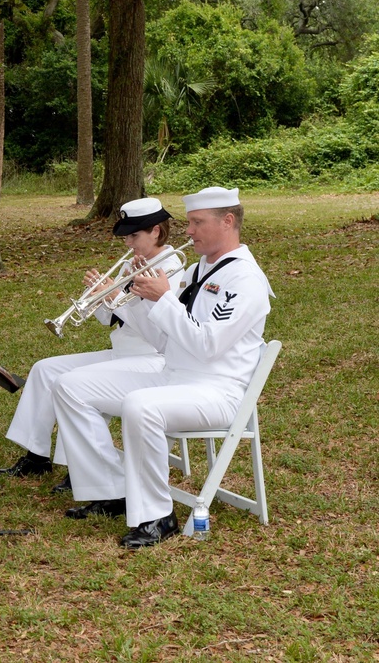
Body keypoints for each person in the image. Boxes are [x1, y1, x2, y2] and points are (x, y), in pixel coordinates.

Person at [53, 187, 272, 549]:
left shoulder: (245, 279)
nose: (188, 231)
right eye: (189, 222)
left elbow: (208, 345)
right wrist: (133, 300)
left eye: (197, 223)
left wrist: (165, 297)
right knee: (70, 385)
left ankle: (157, 515)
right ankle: (112, 489)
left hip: (218, 389)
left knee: (141, 405)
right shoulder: (196, 270)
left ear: (228, 222)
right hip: (176, 374)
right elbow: (164, 341)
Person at [0, 198, 185, 491]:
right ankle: (36, 455)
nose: (127, 244)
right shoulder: (131, 265)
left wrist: (112, 300)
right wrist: (96, 296)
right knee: (45, 369)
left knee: (73, 382)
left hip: (150, 357)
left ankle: (79, 468)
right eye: (126, 237)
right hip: (122, 353)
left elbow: (158, 329)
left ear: (157, 232)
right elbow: (108, 318)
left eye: (134, 236)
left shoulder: (172, 269)